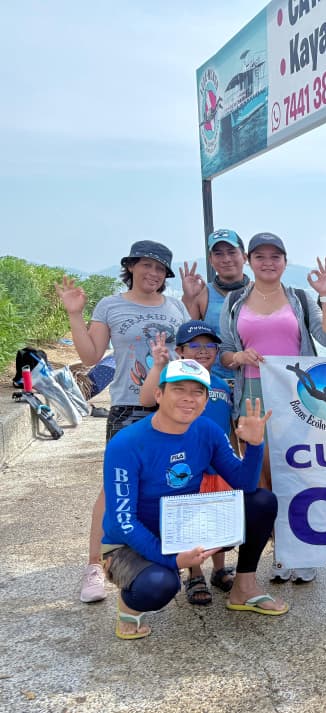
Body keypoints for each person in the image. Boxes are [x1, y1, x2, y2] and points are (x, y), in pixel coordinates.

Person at [100, 359, 287, 639]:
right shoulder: (126, 444)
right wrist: (174, 559)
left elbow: (245, 485)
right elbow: (122, 521)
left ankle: (244, 588)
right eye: (179, 389)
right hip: (131, 540)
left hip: (185, 525)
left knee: (261, 502)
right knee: (159, 585)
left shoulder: (207, 430)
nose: (189, 398)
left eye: (198, 392)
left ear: (205, 399)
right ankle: (129, 604)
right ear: (159, 394)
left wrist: (255, 445)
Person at [56, 240, 189, 603]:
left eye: (160, 269)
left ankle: (166, 559)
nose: (153, 273)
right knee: (114, 487)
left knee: (174, 483)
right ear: (130, 266)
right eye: (147, 265)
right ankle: (95, 565)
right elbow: (90, 355)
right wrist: (74, 314)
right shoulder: (111, 305)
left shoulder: (175, 307)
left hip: (172, 407)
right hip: (129, 407)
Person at [218, 232, 326, 584]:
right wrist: (239, 356)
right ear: (248, 261)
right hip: (252, 395)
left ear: (285, 261)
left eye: (275, 256)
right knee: (263, 478)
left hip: (296, 396)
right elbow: (225, 354)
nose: (268, 262)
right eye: (260, 257)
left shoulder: (300, 298)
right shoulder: (235, 302)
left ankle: (301, 549)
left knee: (298, 472)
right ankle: (280, 553)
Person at [139, 321, 237, 605]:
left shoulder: (221, 384)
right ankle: (195, 574)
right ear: (180, 351)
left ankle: (220, 569)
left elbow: (229, 424)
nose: (203, 351)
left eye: (210, 346)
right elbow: (146, 400)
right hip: (187, 466)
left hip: (218, 465)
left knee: (219, 518)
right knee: (193, 522)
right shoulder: (170, 383)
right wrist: (158, 366)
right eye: (195, 345)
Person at [179, 228, 249, 383]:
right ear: (210, 260)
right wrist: (189, 297)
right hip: (214, 381)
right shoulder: (203, 293)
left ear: (244, 257)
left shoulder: (259, 292)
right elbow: (185, 337)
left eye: (232, 252)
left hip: (253, 379)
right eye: (218, 254)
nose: (226, 259)